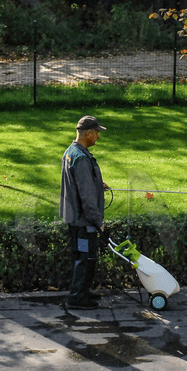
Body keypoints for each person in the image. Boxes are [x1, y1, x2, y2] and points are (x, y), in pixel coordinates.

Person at [60, 115, 109, 309]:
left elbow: (79, 184)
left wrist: (98, 184)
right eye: (96, 133)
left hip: (75, 218)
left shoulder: (71, 152)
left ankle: (83, 291)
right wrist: (99, 222)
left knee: (84, 257)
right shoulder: (81, 158)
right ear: (88, 134)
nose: (98, 137)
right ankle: (76, 298)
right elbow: (87, 198)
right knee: (84, 259)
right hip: (84, 222)